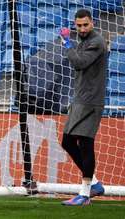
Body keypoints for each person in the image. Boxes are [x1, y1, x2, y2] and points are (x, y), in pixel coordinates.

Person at [59, 9, 108, 206]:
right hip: (80, 99)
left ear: (92, 23)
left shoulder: (97, 42)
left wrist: (67, 43)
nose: (82, 28)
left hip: (91, 101)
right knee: (68, 142)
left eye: (85, 25)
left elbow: (79, 63)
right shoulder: (84, 41)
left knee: (86, 144)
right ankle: (95, 183)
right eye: (78, 25)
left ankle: (85, 194)